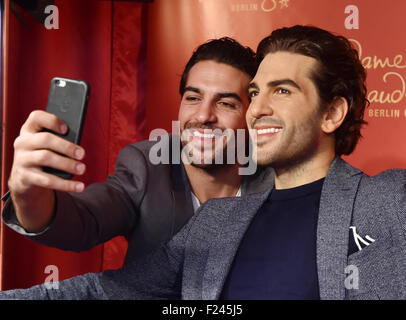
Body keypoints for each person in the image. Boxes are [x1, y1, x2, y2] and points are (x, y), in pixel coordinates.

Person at [1, 25, 405, 300]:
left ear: (332, 113)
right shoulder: (217, 221)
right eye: (256, 92)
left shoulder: (388, 200)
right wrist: (29, 194)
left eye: (281, 91)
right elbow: (100, 292)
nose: (258, 109)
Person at [1, 37, 272, 264]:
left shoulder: (275, 177)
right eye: (193, 98)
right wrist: (29, 193)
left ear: (252, 114)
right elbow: (82, 222)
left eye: (225, 103)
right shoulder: (146, 165)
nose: (203, 115)